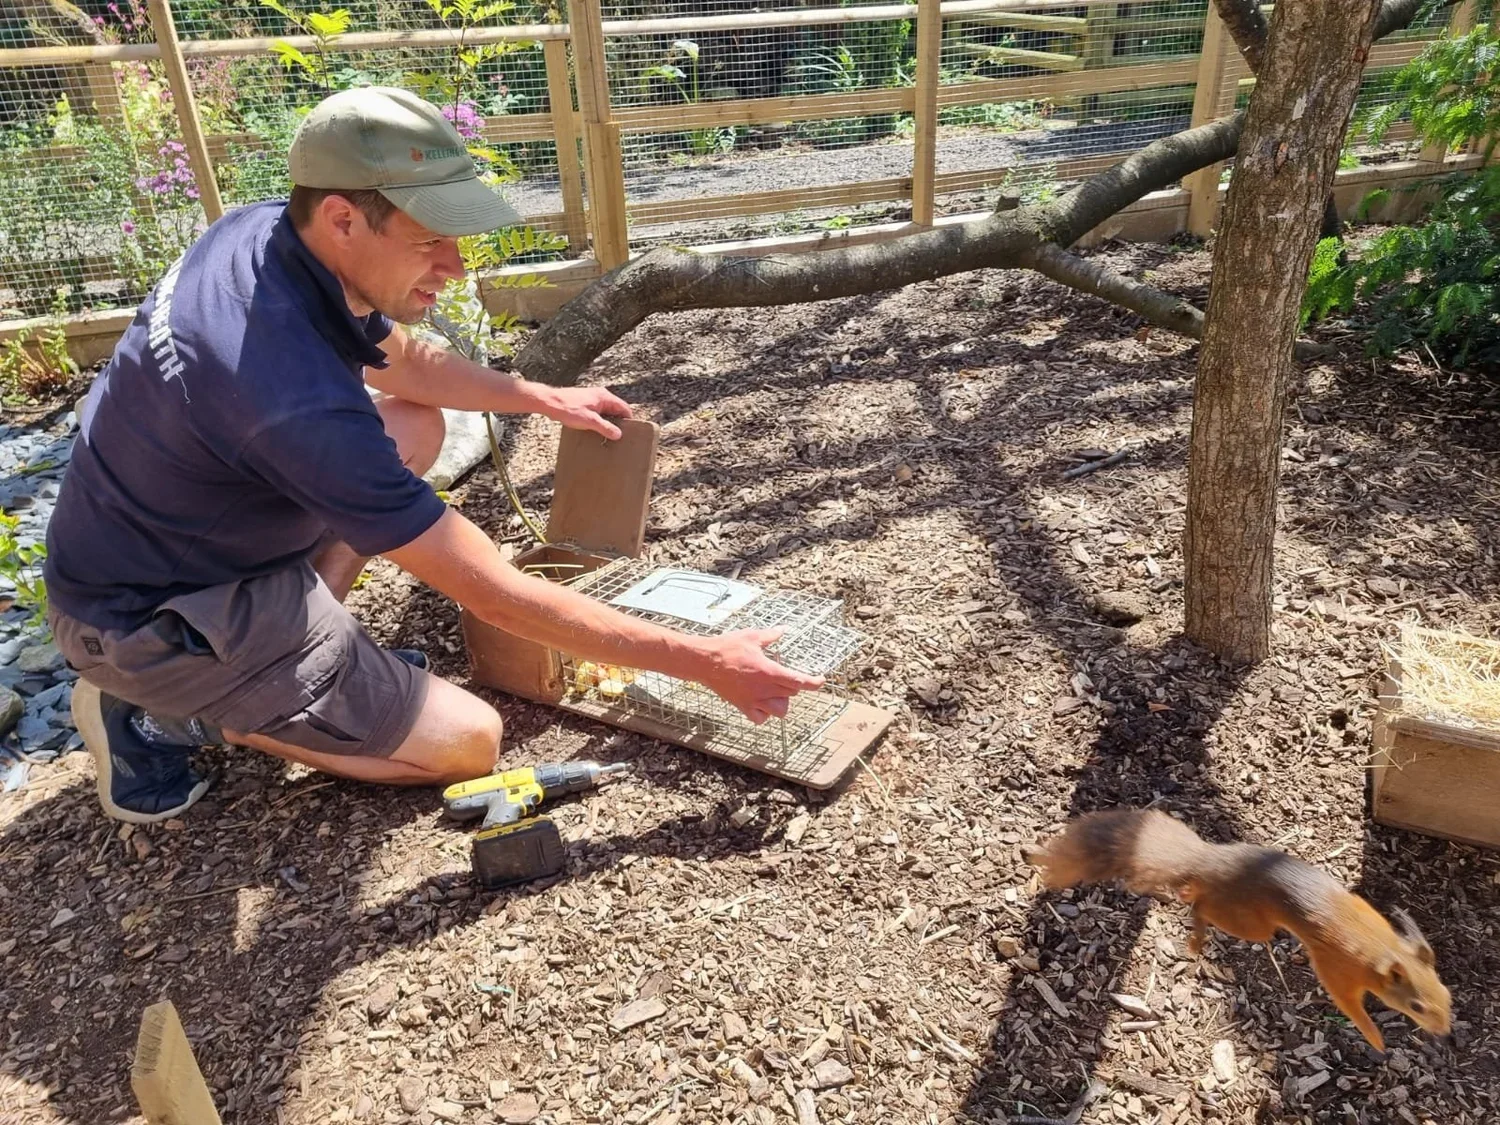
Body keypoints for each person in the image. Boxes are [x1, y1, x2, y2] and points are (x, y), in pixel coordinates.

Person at [44, 86, 822, 825]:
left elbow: (404, 364)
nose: (453, 267)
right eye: (429, 241)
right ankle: (175, 712)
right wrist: (704, 661)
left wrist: (538, 396)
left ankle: (298, 658)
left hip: (180, 538)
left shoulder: (270, 237)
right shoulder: (284, 391)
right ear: (345, 218)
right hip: (143, 616)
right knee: (470, 740)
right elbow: (495, 595)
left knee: (416, 427)